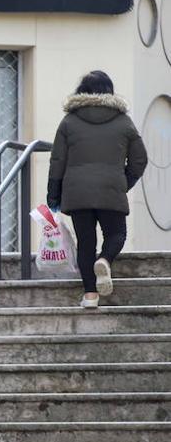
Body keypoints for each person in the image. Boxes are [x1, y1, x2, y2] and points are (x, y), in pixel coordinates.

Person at [46, 70, 147, 308]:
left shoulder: (69, 121)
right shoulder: (124, 121)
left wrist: (53, 194)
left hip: (77, 193)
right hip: (111, 188)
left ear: (82, 91)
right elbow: (140, 159)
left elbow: (57, 161)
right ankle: (105, 259)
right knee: (116, 234)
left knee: (86, 242)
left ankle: (90, 296)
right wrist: (125, 181)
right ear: (109, 91)